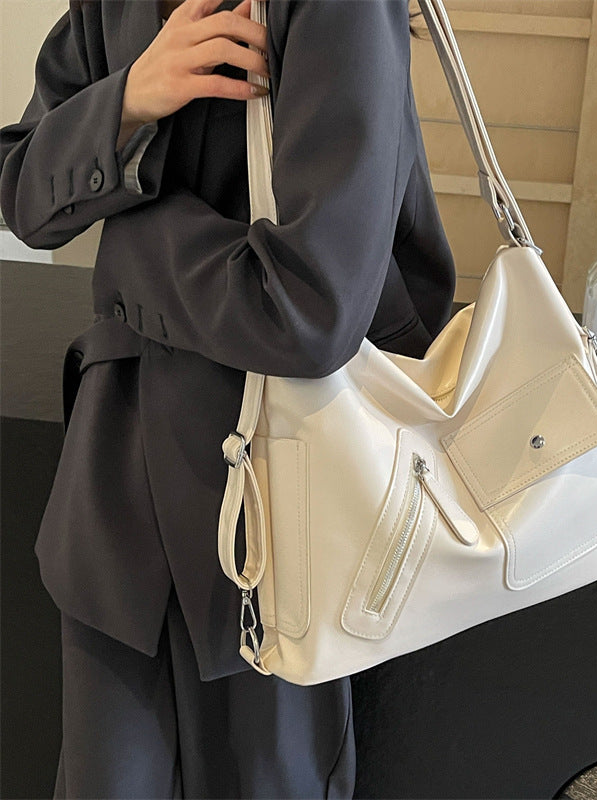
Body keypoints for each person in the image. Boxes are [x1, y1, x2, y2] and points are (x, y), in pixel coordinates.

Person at [0, 0, 456, 795]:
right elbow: (20, 191)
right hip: (118, 499)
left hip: (286, 511)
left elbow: (310, 310)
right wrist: (130, 98)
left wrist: (130, 243)